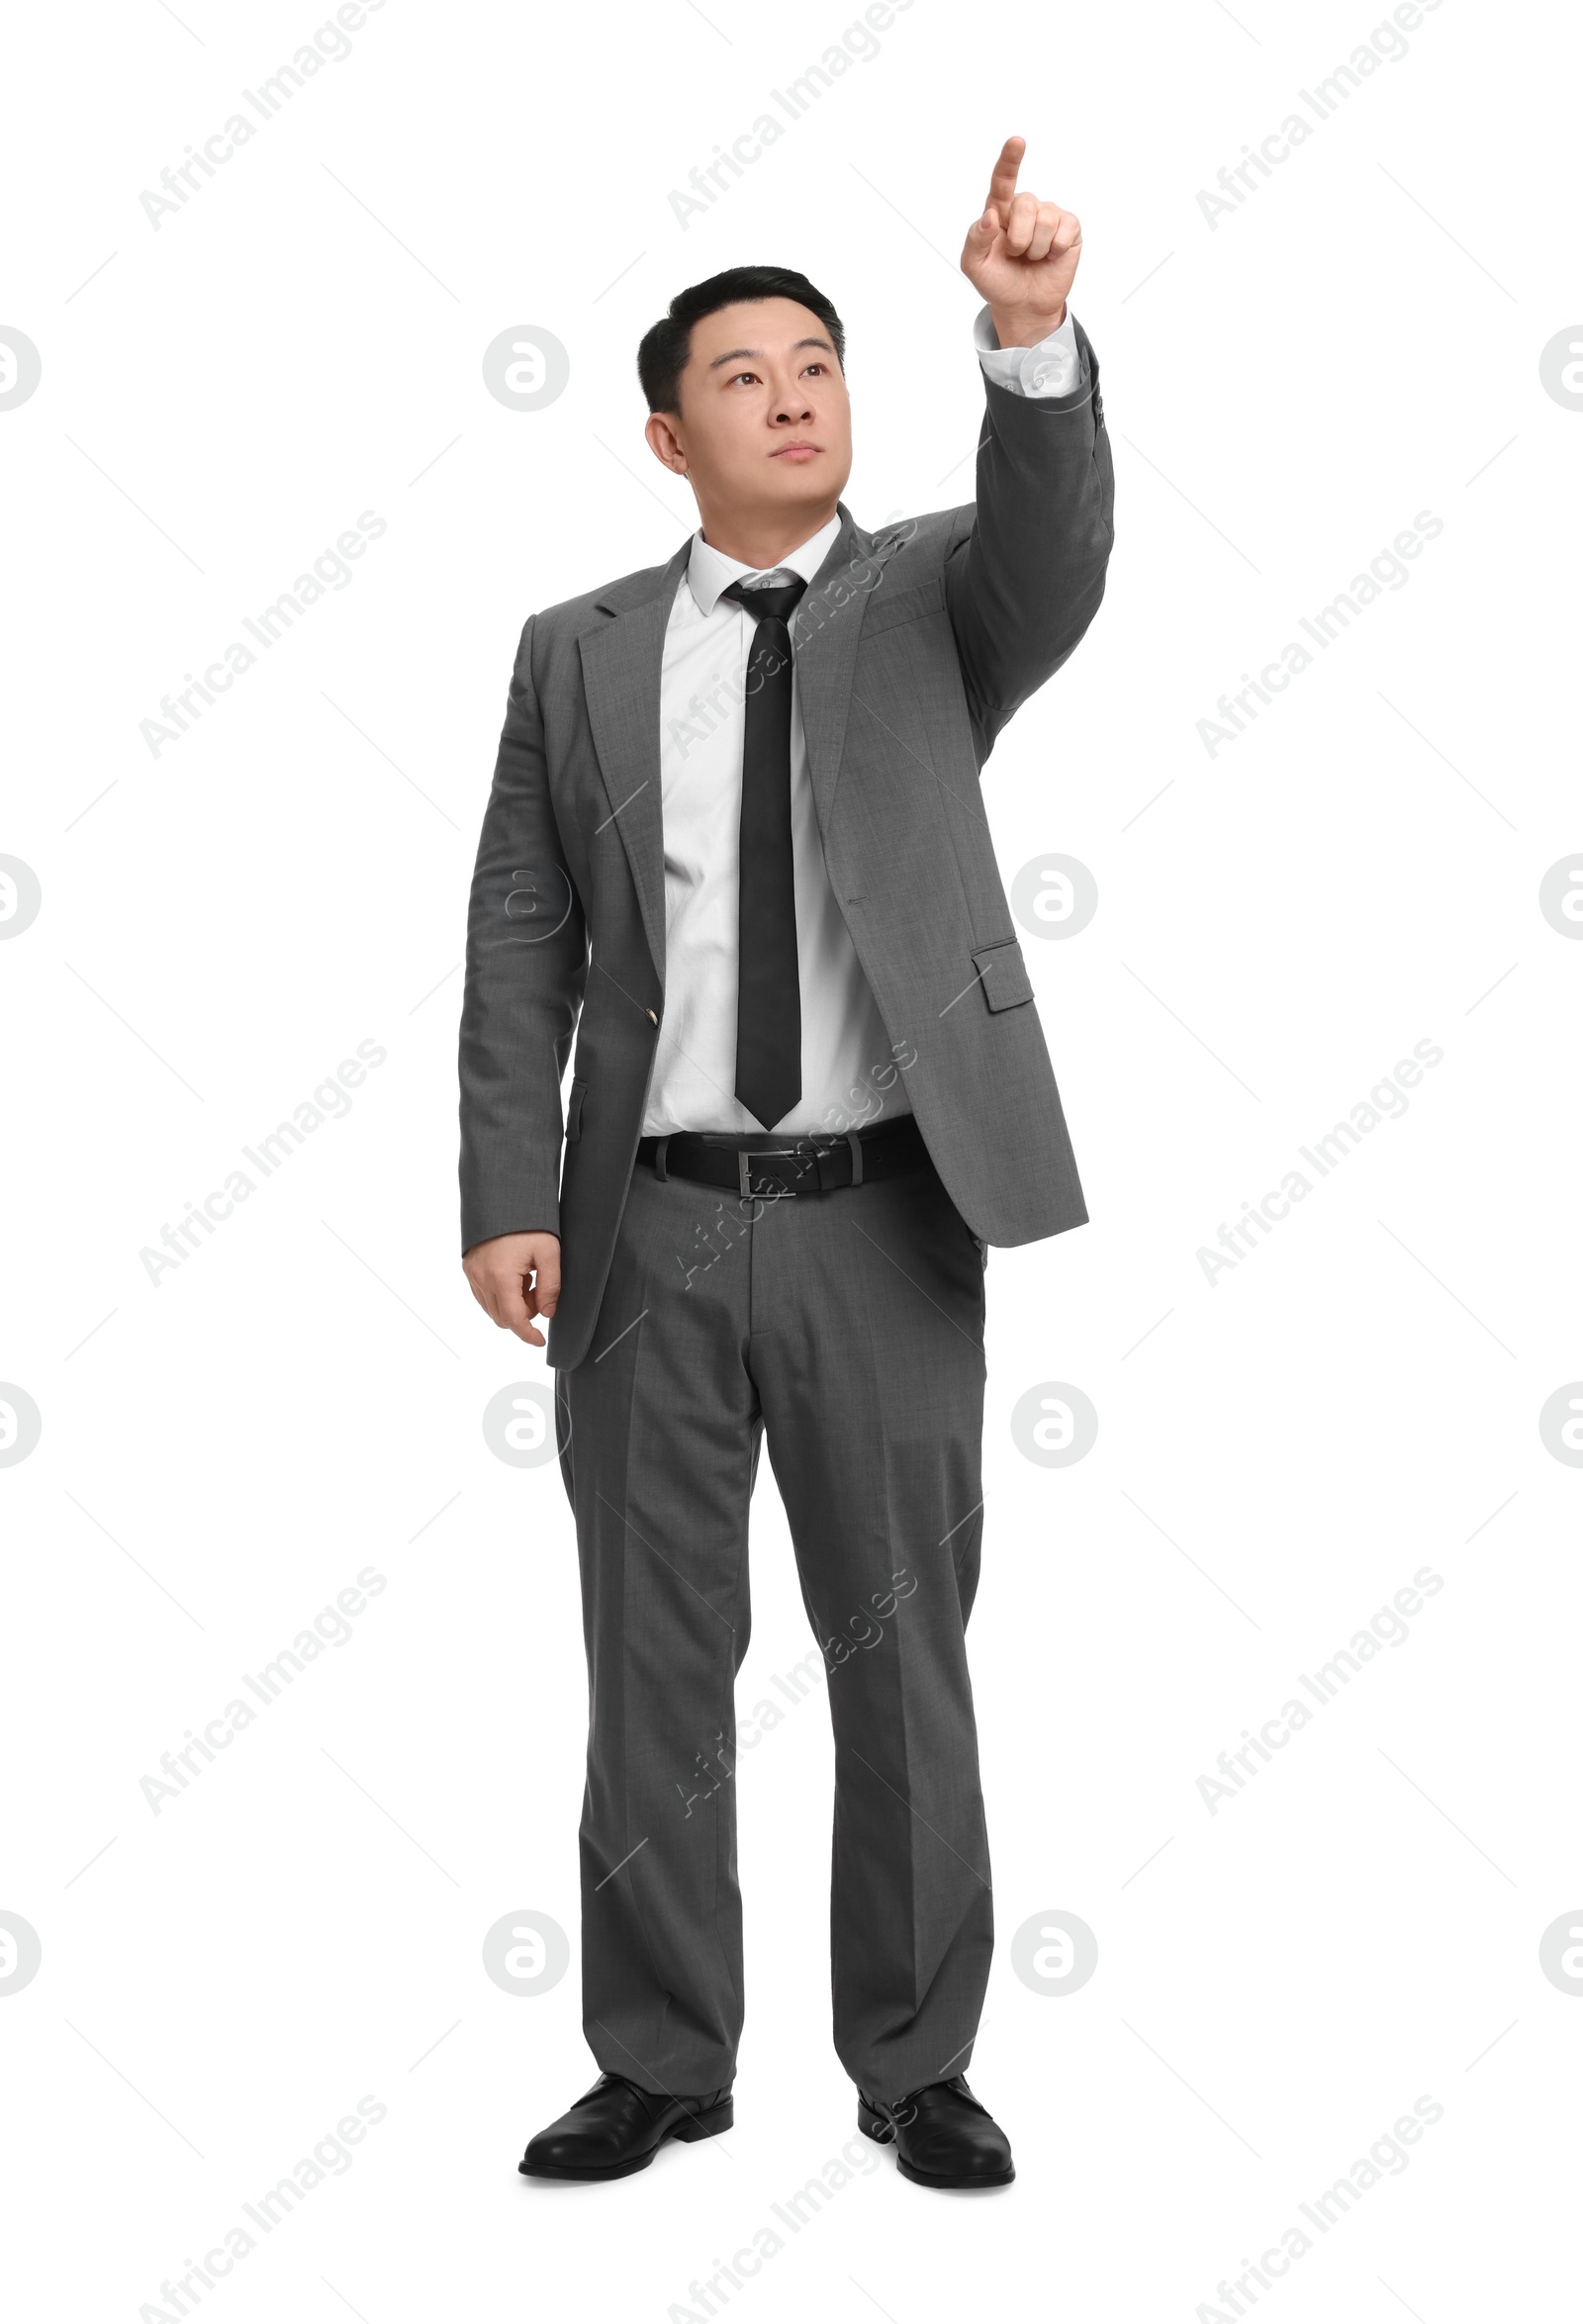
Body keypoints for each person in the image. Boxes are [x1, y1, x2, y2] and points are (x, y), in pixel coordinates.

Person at [459, 136, 1113, 2189]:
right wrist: (503, 1187)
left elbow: (1057, 545)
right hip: (642, 1219)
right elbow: (520, 930)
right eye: (742, 372)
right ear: (670, 432)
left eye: (818, 357)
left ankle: (913, 2058)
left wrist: (1025, 335)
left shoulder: (935, 596)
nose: (794, 389)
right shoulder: (573, 648)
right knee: (651, 1654)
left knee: (896, 1651)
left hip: (883, 1220)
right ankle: (656, 2051)